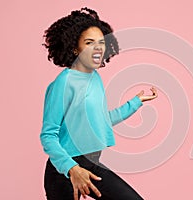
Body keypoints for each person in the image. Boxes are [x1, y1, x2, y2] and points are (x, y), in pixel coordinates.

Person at [40, 7, 158, 200]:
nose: (98, 47)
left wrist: (136, 102)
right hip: (64, 173)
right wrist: (72, 169)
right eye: (89, 42)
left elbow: (99, 120)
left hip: (92, 165)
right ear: (74, 48)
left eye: (101, 42)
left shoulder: (94, 77)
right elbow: (48, 136)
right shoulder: (64, 83)